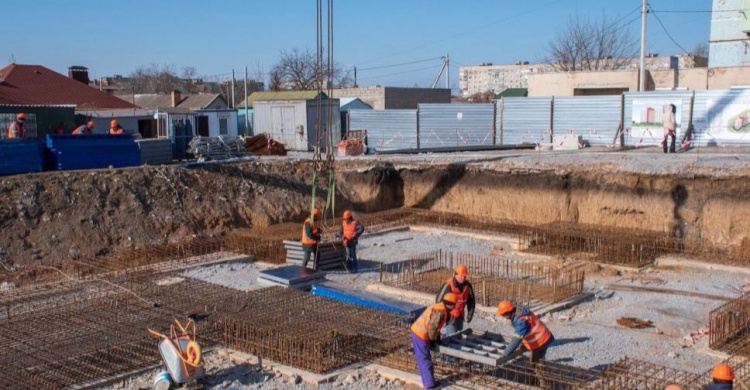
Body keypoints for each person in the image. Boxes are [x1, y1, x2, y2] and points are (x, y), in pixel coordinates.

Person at [410, 292, 458, 389]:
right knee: (425, 360)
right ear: (451, 305)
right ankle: (430, 385)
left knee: (423, 359)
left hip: (419, 333)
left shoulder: (440, 307)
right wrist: (432, 340)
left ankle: (428, 382)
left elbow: (436, 327)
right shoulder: (440, 311)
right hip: (420, 335)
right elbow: (432, 328)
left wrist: (437, 338)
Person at [435, 264, 475, 336]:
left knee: (458, 336)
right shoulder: (448, 284)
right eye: (461, 276)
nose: (463, 278)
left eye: (465, 276)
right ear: (455, 274)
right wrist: (441, 317)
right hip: (450, 316)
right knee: (451, 336)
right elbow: (438, 301)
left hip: (460, 315)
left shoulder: (468, 286)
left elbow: (471, 301)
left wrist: (470, 313)